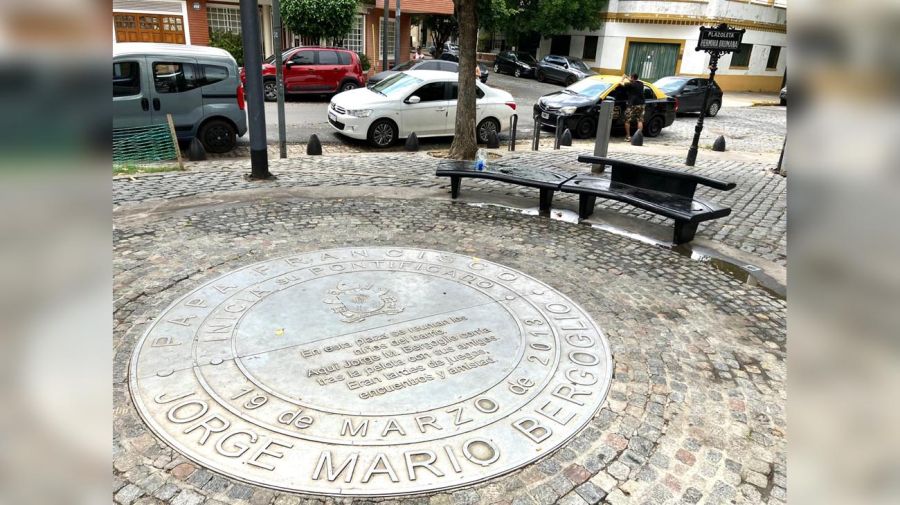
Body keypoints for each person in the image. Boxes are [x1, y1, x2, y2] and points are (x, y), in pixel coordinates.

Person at [620, 73, 645, 140]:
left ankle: (628, 136)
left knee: (627, 120)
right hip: (641, 104)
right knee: (640, 120)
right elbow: (633, 81)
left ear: (632, 77)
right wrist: (628, 77)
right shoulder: (641, 84)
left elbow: (621, 83)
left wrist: (623, 78)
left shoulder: (630, 85)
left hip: (632, 105)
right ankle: (639, 137)